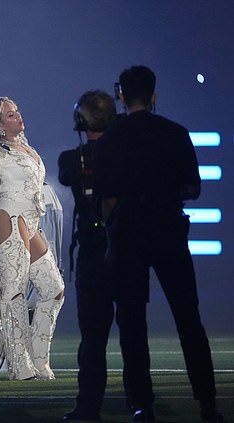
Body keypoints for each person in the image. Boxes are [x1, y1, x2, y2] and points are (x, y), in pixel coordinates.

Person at [94, 66, 223, 422]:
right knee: (188, 319)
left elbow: (105, 198)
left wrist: (111, 237)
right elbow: (193, 189)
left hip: (128, 231)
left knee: (132, 323)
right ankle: (208, 402)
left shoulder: (110, 140)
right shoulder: (176, 133)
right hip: (167, 227)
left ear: (122, 95)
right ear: (153, 95)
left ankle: (141, 403)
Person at [0, 97, 65, 380]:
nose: (18, 117)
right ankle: (19, 366)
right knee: (15, 290)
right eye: (10, 115)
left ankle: (38, 358)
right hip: (7, 217)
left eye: (17, 112)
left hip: (31, 221)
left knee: (54, 289)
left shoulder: (24, 146)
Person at [59, 90, 119, 421]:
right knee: (133, 333)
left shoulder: (72, 159)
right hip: (124, 251)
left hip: (94, 257)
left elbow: (70, 173)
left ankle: (88, 406)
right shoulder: (124, 155)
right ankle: (141, 405)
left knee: (92, 339)